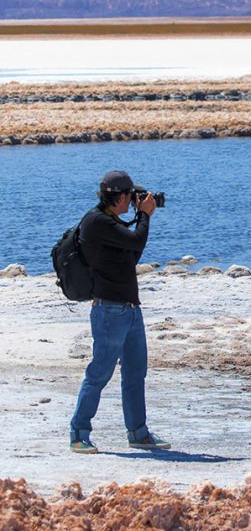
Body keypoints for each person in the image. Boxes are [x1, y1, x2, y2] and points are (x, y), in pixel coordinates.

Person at [69, 170, 171, 454]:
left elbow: (132, 255)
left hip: (129, 309)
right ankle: (79, 432)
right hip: (109, 311)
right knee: (100, 373)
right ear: (122, 196)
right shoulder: (97, 222)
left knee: (136, 372)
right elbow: (137, 241)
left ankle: (138, 433)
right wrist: (145, 215)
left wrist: (141, 217)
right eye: (132, 197)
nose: (135, 201)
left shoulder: (112, 223)